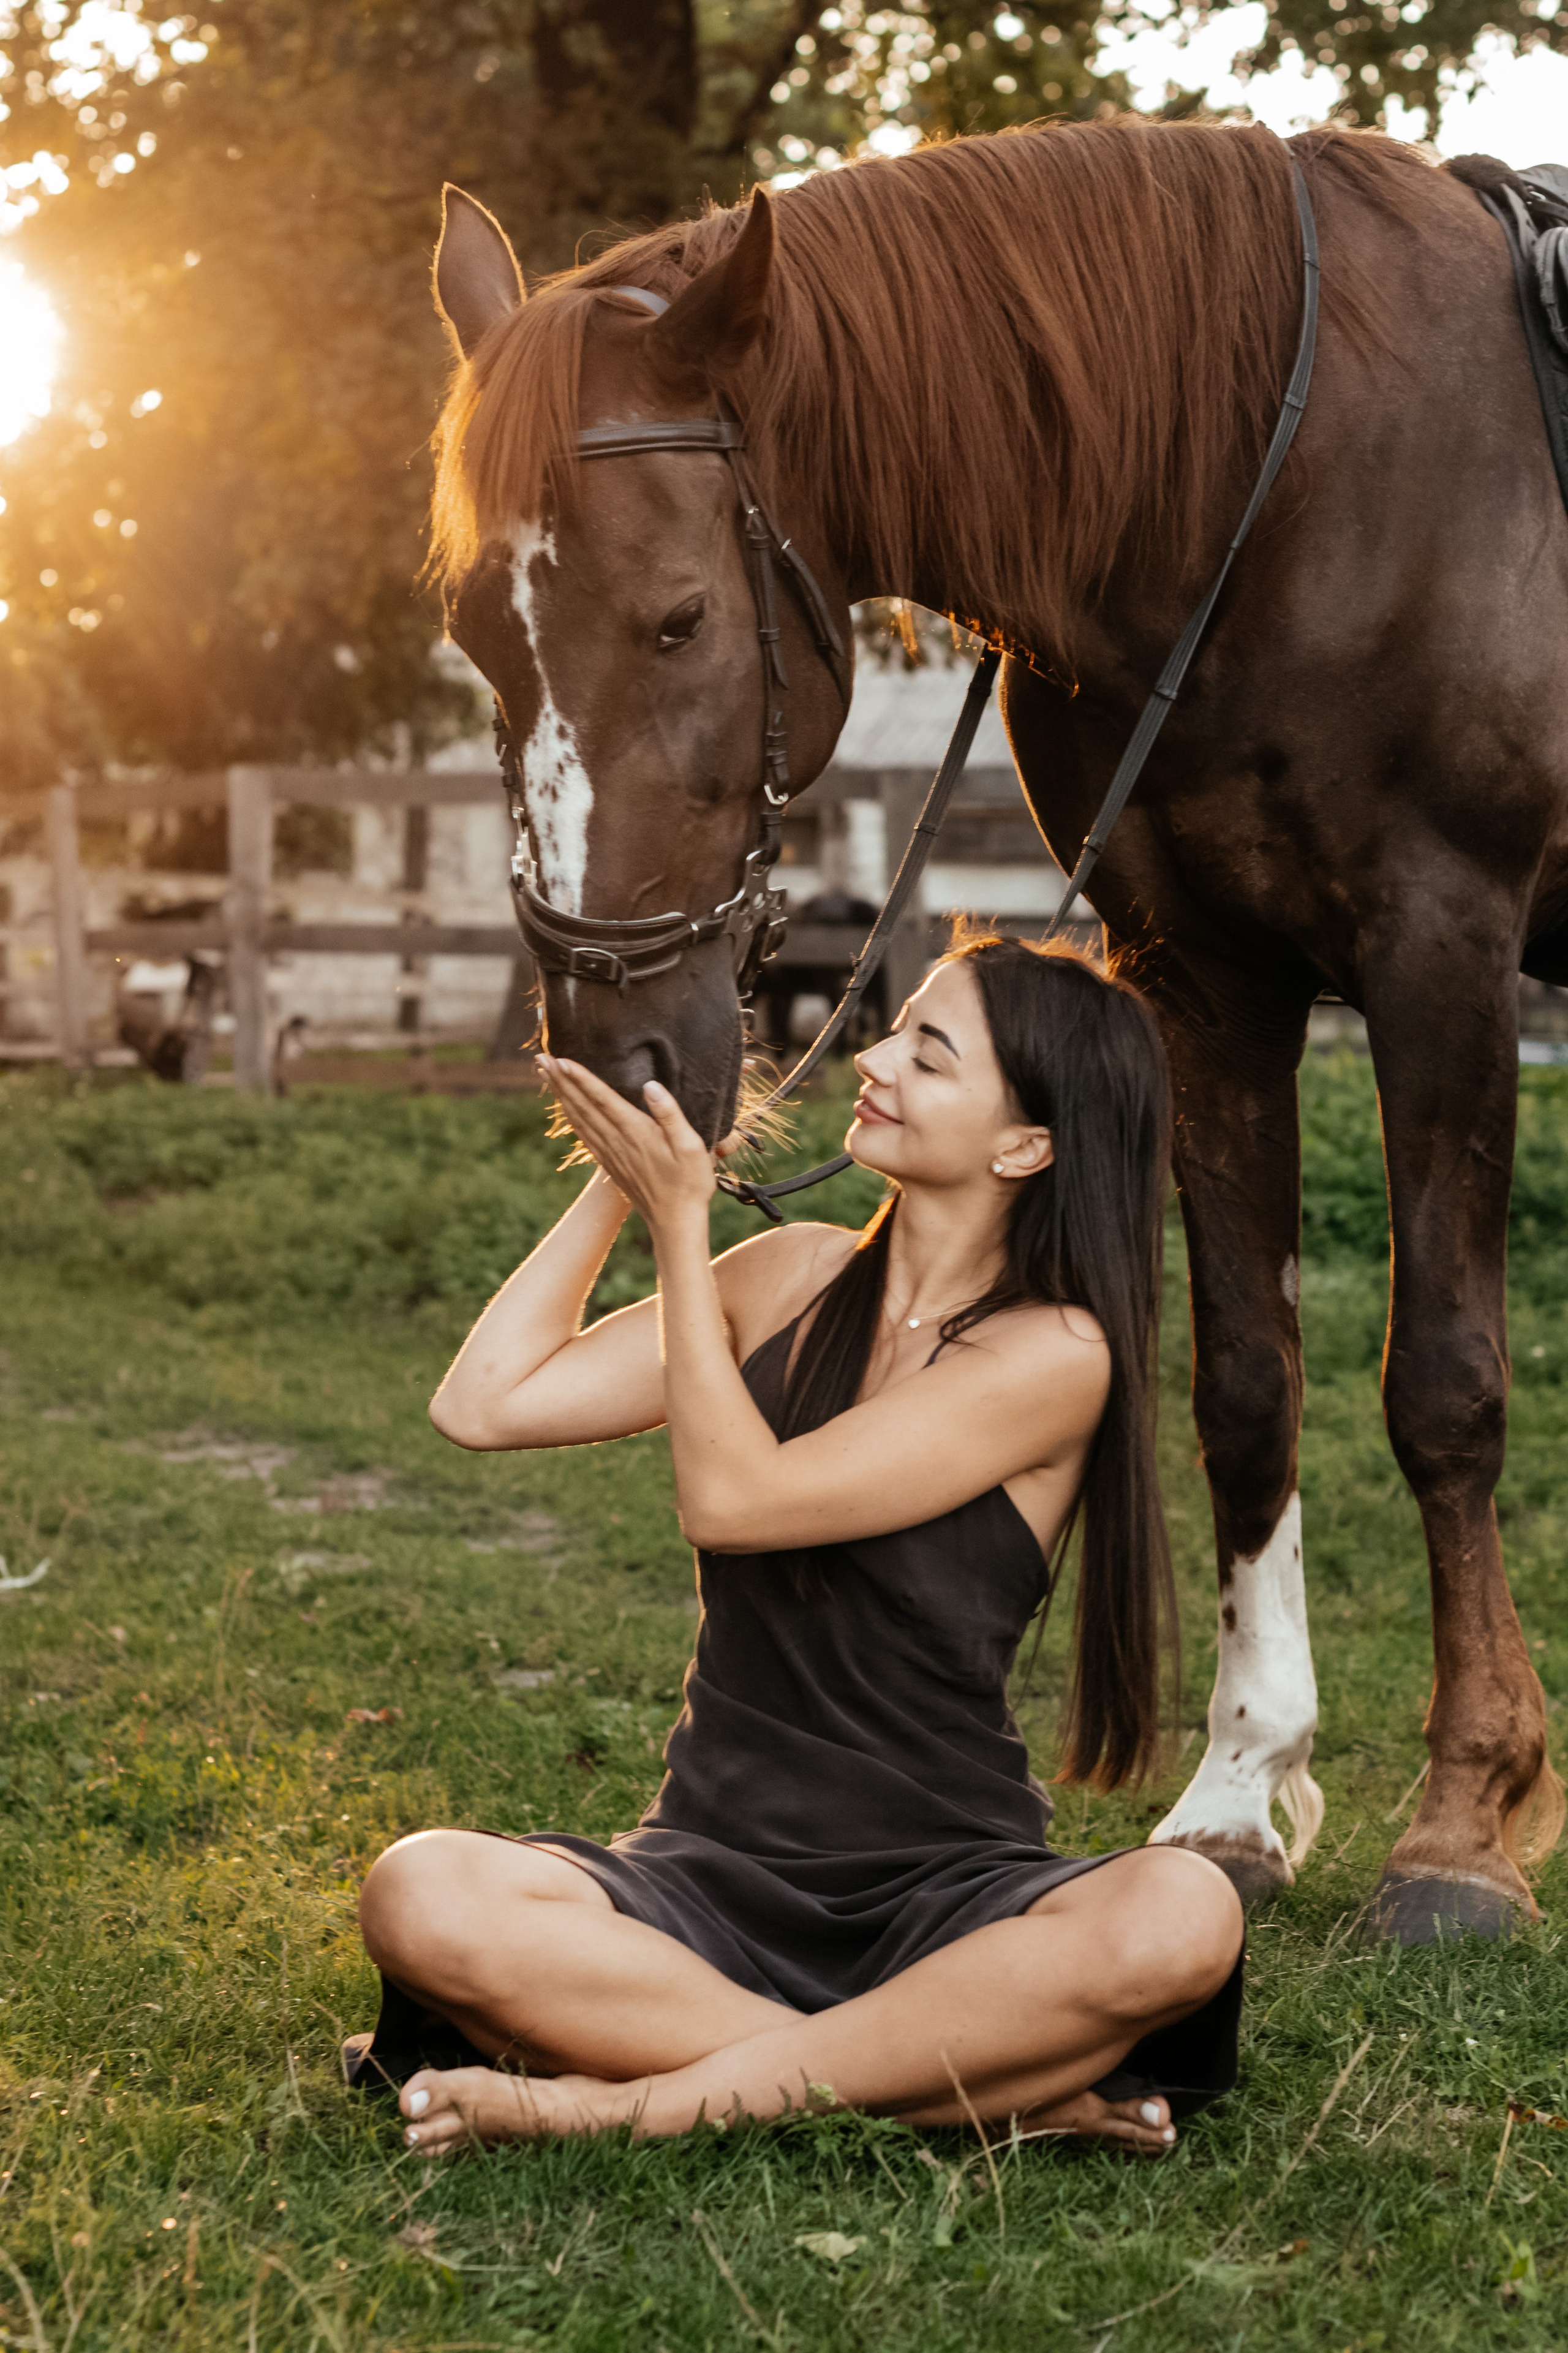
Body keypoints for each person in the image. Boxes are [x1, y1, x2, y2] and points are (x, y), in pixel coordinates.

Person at [349, 931, 1245, 2155]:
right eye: (896, 1029)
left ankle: (617, 2105)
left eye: (928, 1053)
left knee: (1183, 1910)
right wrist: (626, 1174)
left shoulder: (1056, 1352)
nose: (873, 1057)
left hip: (944, 1890)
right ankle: (960, 2082)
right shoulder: (790, 1275)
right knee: (421, 1888)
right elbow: (486, 1402)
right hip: (706, 1871)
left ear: (1023, 1146)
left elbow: (734, 1501)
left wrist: (681, 1223)